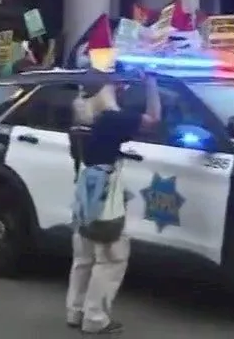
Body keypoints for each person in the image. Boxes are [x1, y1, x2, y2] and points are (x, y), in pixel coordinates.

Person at [66, 73, 161, 334]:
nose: (120, 89)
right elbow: (154, 119)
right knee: (111, 257)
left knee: (83, 255)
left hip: (85, 187)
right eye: (115, 85)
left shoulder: (79, 118)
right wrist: (151, 84)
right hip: (106, 188)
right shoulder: (113, 119)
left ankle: (75, 311)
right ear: (105, 91)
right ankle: (95, 318)